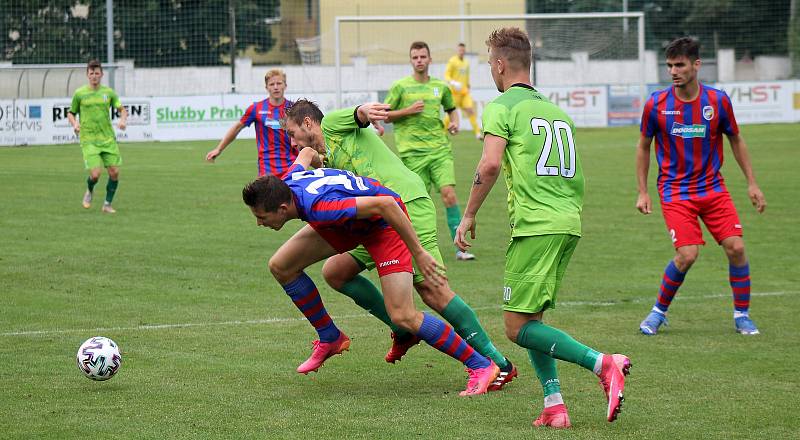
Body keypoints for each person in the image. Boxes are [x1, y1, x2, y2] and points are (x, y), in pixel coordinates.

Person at [455, 27, 631, 428]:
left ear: (500, 64)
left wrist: (468, 214)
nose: (490, 70)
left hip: (536, 226)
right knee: (531, 319)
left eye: (488, 63)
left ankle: (603, 364)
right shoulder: (555, 110)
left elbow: (490, 164)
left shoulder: (503, 106)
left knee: (516, 328)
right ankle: (554, 406)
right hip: (567, 221)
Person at [281, 100, 518, 391]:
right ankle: (402, 331)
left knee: (433, 290)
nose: (292, 142)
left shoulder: (330, 124)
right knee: (336, 272)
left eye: (292, 134)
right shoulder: (325, 156)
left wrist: (366, 112)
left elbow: (358, 114)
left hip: (407, 206)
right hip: (376, 220)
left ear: (307, 124)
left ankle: (499, 364)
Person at [242, 147, 500, 396]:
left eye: (262, 217)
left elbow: (387, 205)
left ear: (283, 209)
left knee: (403, 315)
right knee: (281, 266)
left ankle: (481, 365)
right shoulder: (288, 180)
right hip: (348, 225)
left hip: (384, 226)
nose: (258, 223)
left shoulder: (322, 207)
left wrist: (419, 253)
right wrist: (325, 172)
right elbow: (307, 153)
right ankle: (329, 337)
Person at [636, 37, 766, 336]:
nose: (673, 71)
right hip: (674, 192)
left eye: (679, 64)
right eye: (669, 65)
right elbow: (643, 147)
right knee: (687, 255)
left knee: (736, 247)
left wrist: (752, 183)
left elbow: (736, 139)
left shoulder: (718, 101)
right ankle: (658, 312)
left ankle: (742, 315)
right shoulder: (656, 104)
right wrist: (643, 190)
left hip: (712, 189)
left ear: (696, 65)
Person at [384, 41, 475, 261]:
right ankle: (414, 246)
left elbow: (453, 111)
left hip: (440, 150)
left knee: (449, 195)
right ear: (410, 60)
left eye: (423, 57)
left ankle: (460, 247)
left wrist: (454, 123)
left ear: (430, 59)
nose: (419, 61)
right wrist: (408, 110)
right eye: (415, 57)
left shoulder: (440, 87)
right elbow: (385, 114)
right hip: (412, 154)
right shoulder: (400, 87)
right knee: (416, 204)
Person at [206, 69, 296, 176]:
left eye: (279, 83)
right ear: (266, 87)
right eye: (272, 84)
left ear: (285, 85)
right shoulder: (256, 108)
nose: (275, 87)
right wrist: (219, 149)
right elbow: (237, 128)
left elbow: (305, 133)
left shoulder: (294, 109)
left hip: (292, 165)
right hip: (267, 168)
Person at [68, 59, 128, 214]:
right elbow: (71, 113)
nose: (94, 76)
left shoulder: (108, 93)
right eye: (91, 73)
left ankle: (107, 205)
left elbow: (122, 109)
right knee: (95, 175)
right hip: (88, 139)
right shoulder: (79, 93)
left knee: (114, 172)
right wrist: (75, 124)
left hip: (107, 138)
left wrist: (122, 120)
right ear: (87, 75)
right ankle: (89, 189)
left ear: (101, 74)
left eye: (97, 73)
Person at [444, 43, 482, 140]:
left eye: (463, 50)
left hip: (464, 93)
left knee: (470, 110)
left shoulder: (466, 63)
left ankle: (478, 133)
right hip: (454, 93)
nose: (462, 52)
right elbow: (446, 75)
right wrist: (453, 82)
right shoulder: (452, 61)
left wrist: (468, 85)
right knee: (450, 114)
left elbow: (466, 76)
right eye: (460, 50)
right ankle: (442, 133)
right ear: (457, 51)